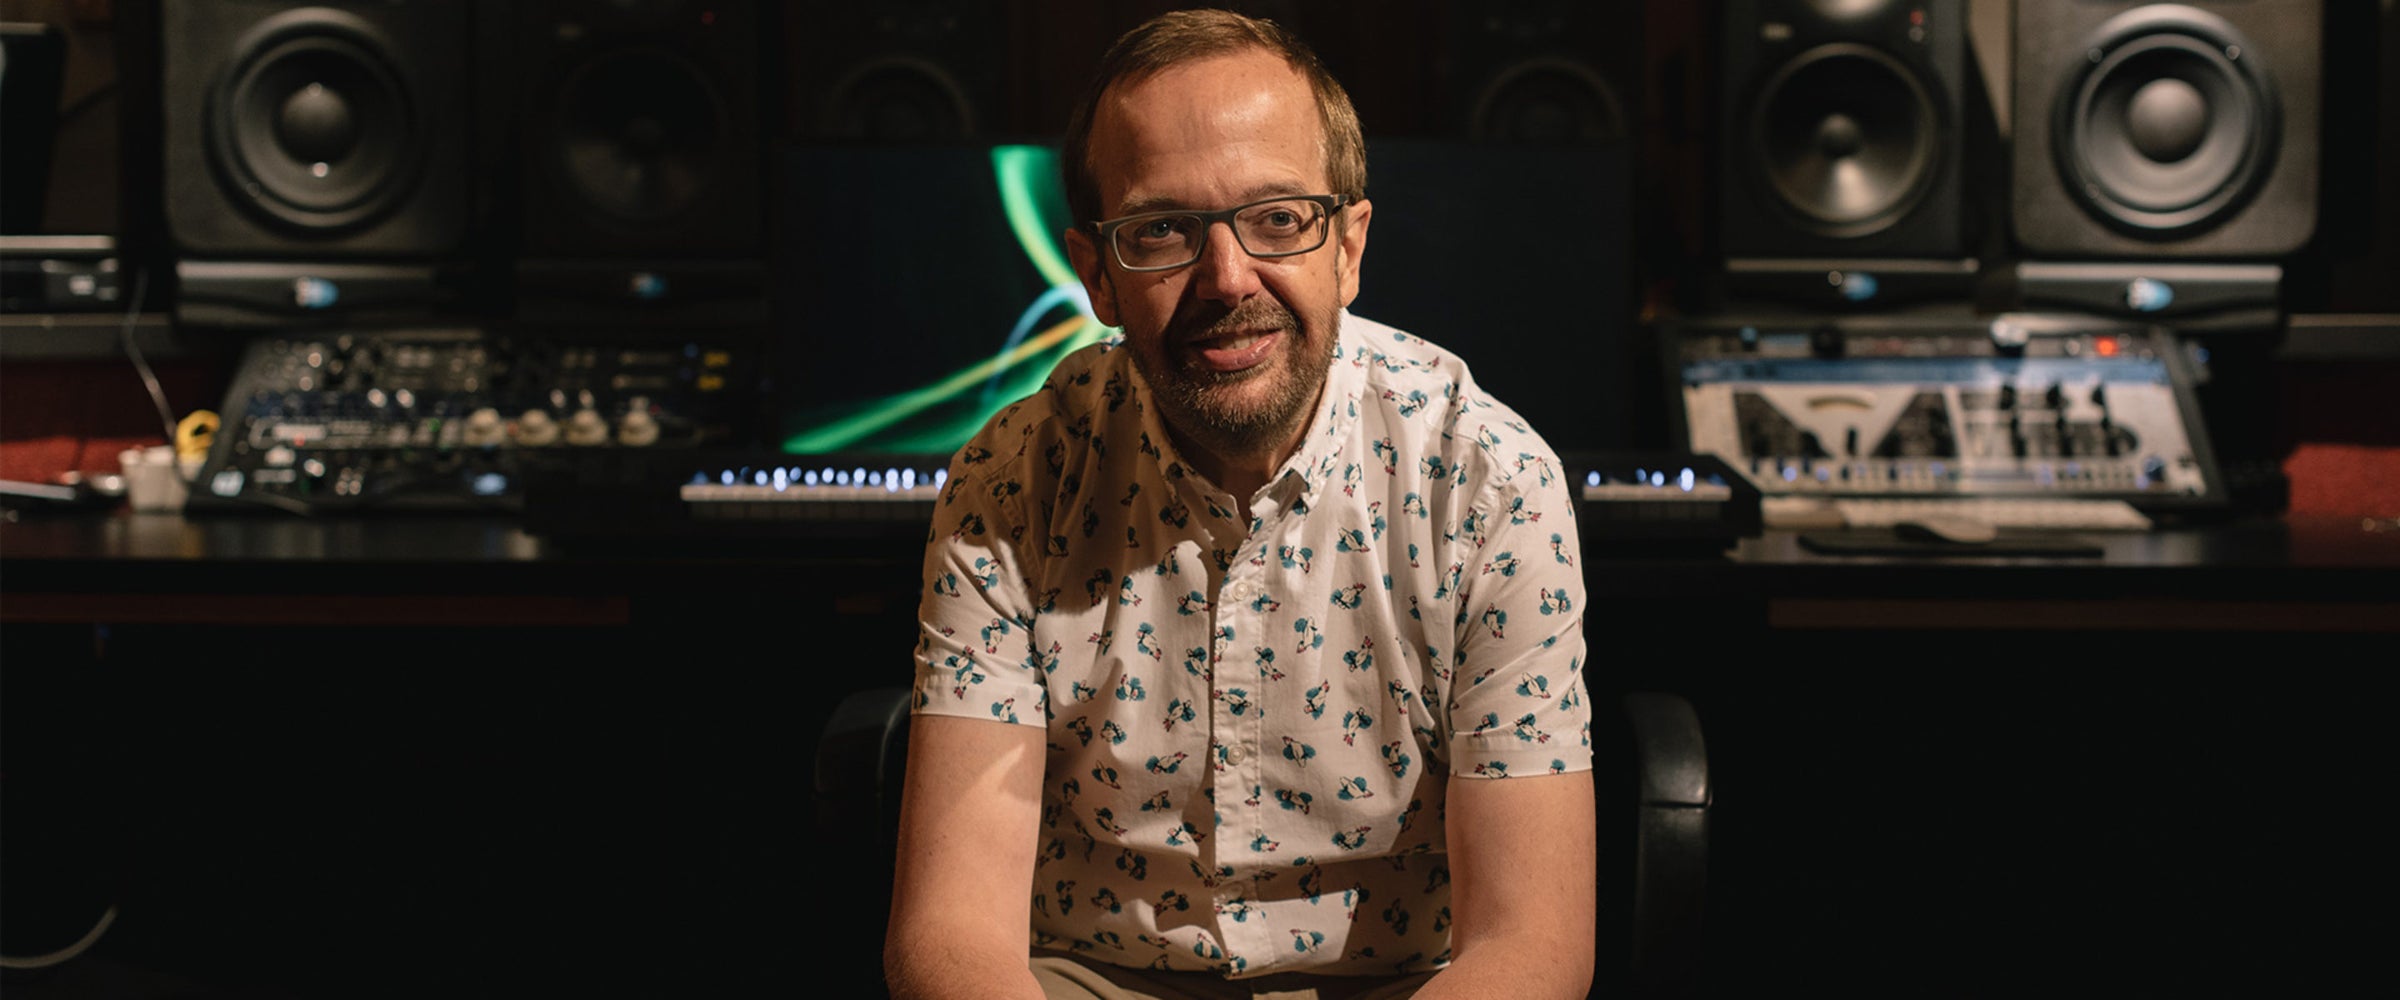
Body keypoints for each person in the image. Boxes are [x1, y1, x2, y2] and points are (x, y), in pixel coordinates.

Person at [886, 9, 1594, 999]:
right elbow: (951, 933)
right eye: (1162, 229)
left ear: (1347, 247)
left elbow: (1532, 945)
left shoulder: (1488, 479)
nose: (1226, 279)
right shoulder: (1013, 476)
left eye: (1278, 218)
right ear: (1095, 273)